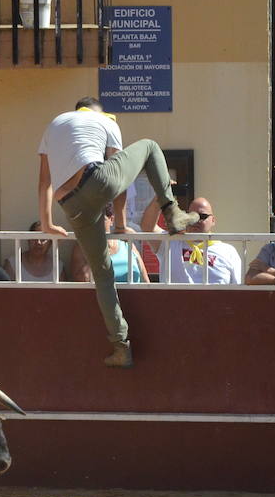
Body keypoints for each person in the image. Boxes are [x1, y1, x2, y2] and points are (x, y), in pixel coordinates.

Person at [37, 96, 198, 368]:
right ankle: (173, 213)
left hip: (70, 204)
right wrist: (121, 224)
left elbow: (44, 183)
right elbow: (119, 184)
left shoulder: (53, 126)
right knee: (149, 146)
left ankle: (120, 346)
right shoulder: (105, 121)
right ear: (99, 112)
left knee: (102, 273)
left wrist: (46, 224)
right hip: (97, 180)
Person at [160, 197, 243, 284]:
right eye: (192, 216)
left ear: (213, 220)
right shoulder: (171, 242)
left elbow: (238, 289)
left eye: (202, 216)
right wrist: (163, 193)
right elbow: (148, 227)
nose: (196, 220)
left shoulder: (228, 251)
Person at [70, 205, 149, 284]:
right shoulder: (82, 247)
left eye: (101, 219)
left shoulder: (127, 244)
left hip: (135, 295)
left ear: (111, 220)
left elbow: (146, 281)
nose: (96, 224)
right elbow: (82, 280)